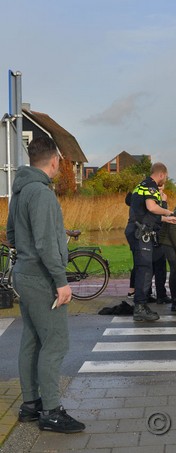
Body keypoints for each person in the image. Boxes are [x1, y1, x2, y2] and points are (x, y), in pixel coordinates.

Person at [6, 137, 84, 433]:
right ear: (54, 160)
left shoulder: (20, 191)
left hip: (23, 273)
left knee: (32, 339)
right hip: (41, 278)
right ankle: (51, 411)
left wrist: (27, 253)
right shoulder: (42, 194)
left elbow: (12, 233)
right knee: (55, 342)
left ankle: (31, 405)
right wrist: (61, 281)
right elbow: (45, 244)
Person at [124, 163, 176, 322]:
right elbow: (152, 207)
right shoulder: (151, 187)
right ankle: (140, 307)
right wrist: (169, 211)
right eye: (166, 177)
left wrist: (166, 219)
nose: (165, 180)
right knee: (145, 269)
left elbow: (146, 213)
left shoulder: (140, 186)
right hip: (140, 233)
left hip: (136, 229)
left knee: (144, 268)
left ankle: (140, 305)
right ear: (161, 174)